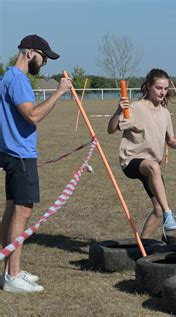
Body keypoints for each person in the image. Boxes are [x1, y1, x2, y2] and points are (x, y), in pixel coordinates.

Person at [0, 34, 72, 292]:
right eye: (43, 57)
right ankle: (13, 276)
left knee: (12, 212)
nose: (44, 63)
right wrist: (59, 92)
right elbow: (32, 116)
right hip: (20, 154)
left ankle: (10, 271)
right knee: (23, 212)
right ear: (30, 52)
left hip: (12, 153)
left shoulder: (8, 76)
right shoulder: (18, 80)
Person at [107, 69, 176, 240]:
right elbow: (111, 129)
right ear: (148, 87)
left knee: (157, 211)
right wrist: (118, 111)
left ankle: (141, 247)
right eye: (158, 88)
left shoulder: (165, 113)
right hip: (132, 161)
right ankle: (169, 213)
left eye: (165, 89)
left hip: (151, 167)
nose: (162, 92)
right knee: (153, 167)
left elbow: (169, 139)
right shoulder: (135, 108)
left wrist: (175, 143)